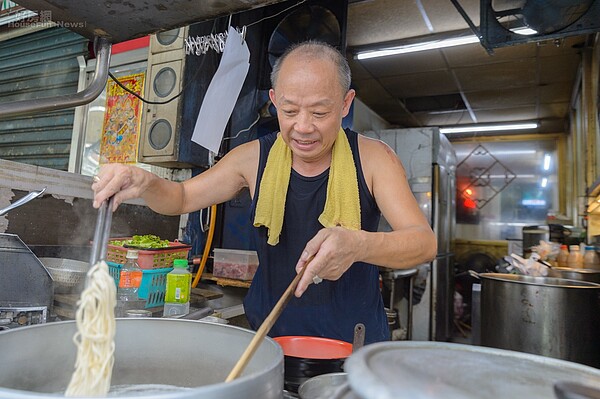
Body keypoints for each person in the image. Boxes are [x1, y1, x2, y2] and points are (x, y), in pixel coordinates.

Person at [92, 41, 437, 344]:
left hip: (351, 347)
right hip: (270, 341)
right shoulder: (253, 158)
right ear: (273, 101)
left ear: (346, 104)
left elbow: (423, 243)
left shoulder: (374, 159)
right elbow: (181, 198)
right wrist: (147, 182)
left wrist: (359, 244)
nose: (302, 127)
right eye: (289, 111)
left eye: (319, 112)